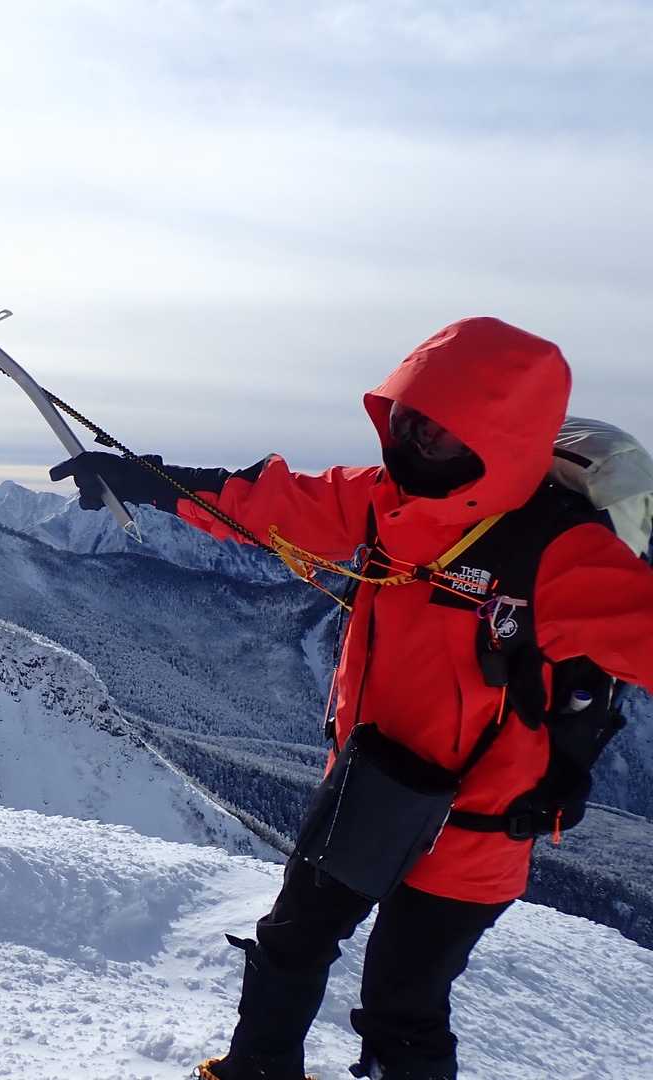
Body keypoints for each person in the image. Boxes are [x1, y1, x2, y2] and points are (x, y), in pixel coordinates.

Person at [51, 317, 653, 1080]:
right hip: (369, 790)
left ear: (499, 442)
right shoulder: (382, 500)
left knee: (404, 1007)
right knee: (290, 942)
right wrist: (146, 481)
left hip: (476, 829)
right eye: (409, 420)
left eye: (440, 431)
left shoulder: (563, 555)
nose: (415, 442)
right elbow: (269, 504)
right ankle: (256, 1071)